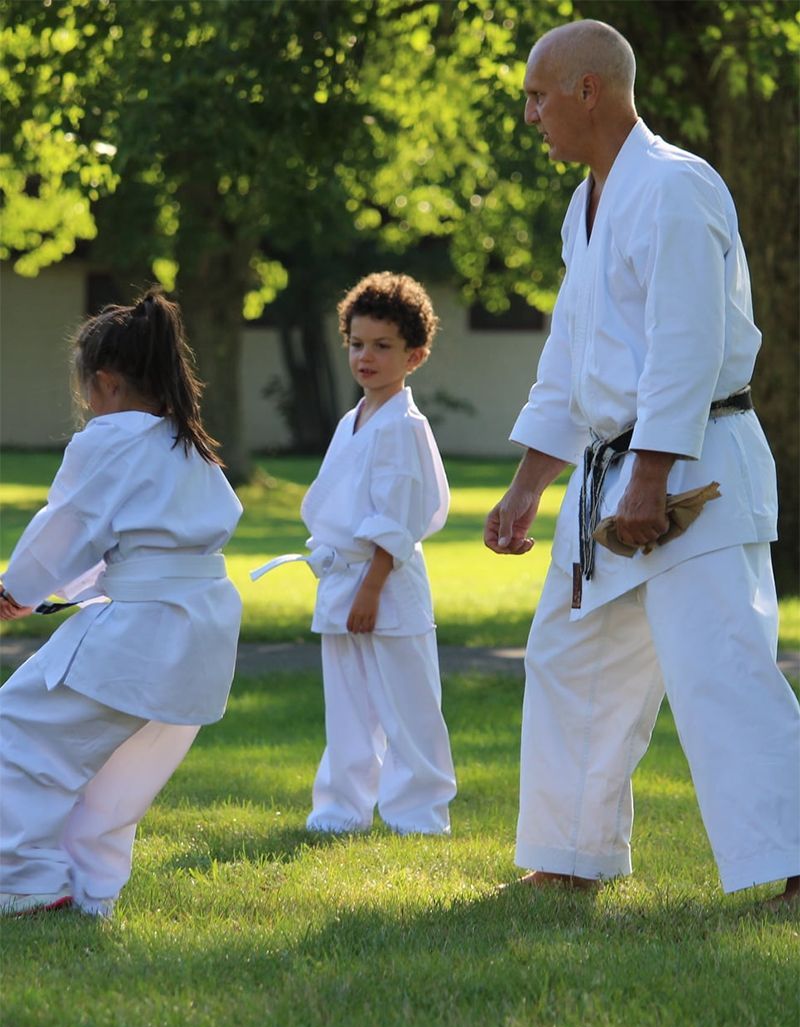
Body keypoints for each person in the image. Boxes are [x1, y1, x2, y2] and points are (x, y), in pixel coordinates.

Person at [484, 20, 799, 903]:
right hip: (606, 475)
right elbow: (569, 361)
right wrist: (526, 486)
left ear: (590, 91)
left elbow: (685, 344)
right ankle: (570, 853)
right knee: (569, 659)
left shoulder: (673, 186)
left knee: (720, 668)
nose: (530, 115)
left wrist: (653, 475)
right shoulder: (583, 208)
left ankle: (794, 858)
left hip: (690, 467)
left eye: (539, 96)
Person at [0, 289, 243, 916]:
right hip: (202, 637)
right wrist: (60, 594)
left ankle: (24, 879)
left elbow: (71, 523)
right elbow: (141, 545)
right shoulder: (191, 446)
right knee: (123, 777)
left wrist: (14, 590)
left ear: (104, 383)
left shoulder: (108, 438)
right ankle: (93, 890)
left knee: (18, 732)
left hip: (143, 629)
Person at [301, 272, 456, 834]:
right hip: (345, 579)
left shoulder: (403, 426)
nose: (366, 357)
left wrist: (372, 586)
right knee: (348, 706)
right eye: (357, 343)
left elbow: (397, 515)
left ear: (414, 356)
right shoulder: (355, 420)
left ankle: (420, 814)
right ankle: (341, 810)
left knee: (408, 705)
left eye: (383, 346)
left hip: (385, 582)